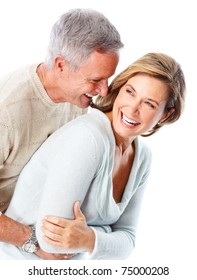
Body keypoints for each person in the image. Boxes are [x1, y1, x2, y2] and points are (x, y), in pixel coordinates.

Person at [0, 52, 186, 260]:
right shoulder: (89, 138)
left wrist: (89, 239)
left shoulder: (142, 158)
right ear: (119, 89)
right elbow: (52, 243)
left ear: (166, 114)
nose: (133, 109)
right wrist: (106, 235)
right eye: (130, 92)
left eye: (149, 104)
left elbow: (128, 240)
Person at [0, 8, 123, 259]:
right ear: (61, 65)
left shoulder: (76, 96)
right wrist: (32, 241)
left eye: (108, 79)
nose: (103, 90)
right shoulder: (7, 112)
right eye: (96, 79)